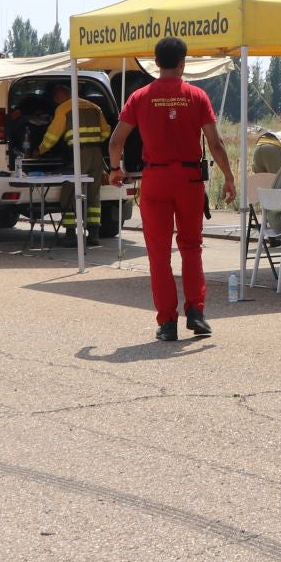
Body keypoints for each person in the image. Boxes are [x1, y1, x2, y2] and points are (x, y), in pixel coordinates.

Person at [105, 37, 236, 342]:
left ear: (156, 62)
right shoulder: (197, 95)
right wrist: (228, 177)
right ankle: (197, 313)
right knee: (191, 248)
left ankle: (167, 323)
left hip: (156, 180)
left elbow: (115, 141)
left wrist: (115, 169)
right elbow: (215, 143)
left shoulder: (139, 97)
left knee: (159, 254)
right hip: (189, 180)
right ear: (183, 63)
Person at [37, 84, 109, 244]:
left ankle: (70, 234)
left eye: (55, 99)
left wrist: (40, 150)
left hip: (78, 154)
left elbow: (52, 135)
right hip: (96, 154)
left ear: (59, 96)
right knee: (93, 192)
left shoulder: (63, 109)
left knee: (69, 191)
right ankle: (94, 234)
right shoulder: (95, 107)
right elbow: (105, 132)